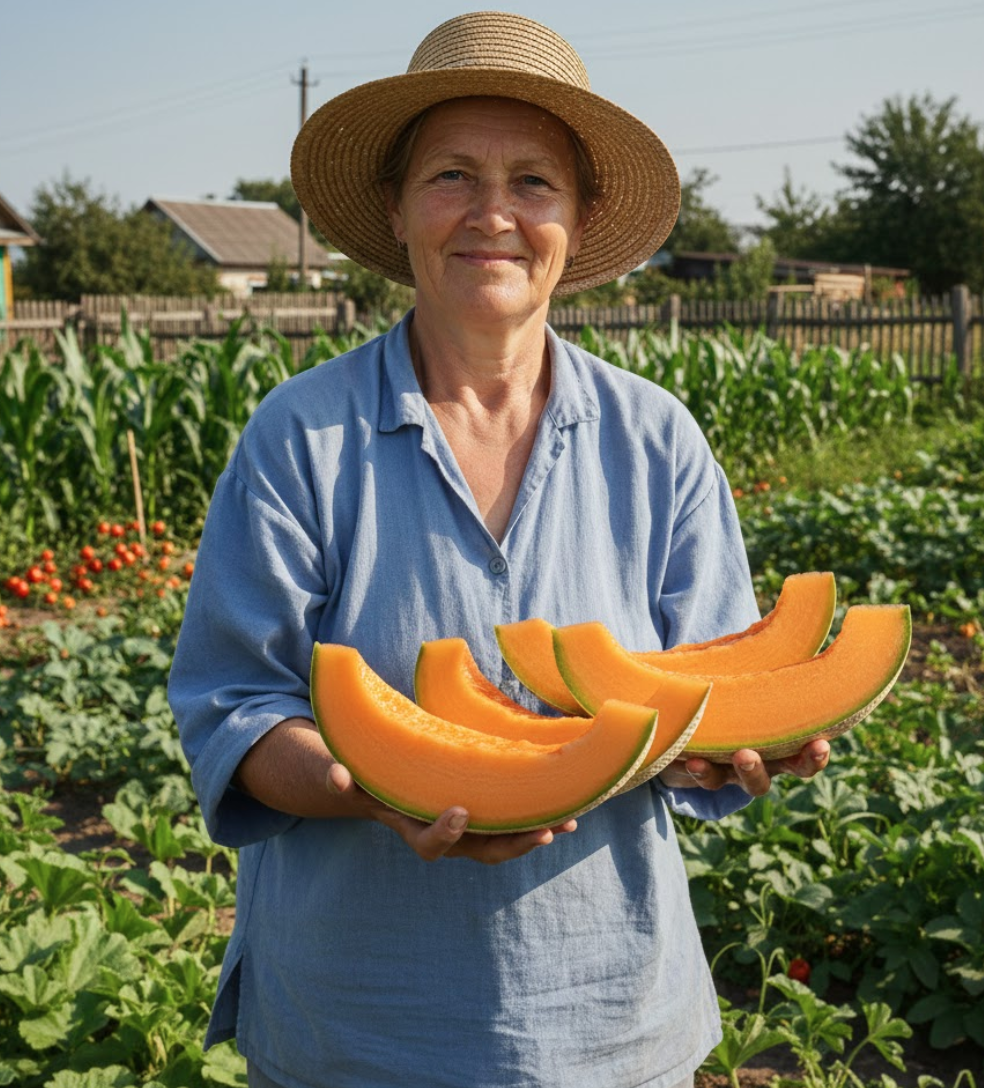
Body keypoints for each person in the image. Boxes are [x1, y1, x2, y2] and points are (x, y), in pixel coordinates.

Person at [168, 12, 830, 1088]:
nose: (493, 214)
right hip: (355, 1029)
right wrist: (376, 783)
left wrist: (740, 744)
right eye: (451, 176)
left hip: (611, 1024)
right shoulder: (300, 436)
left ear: (579, 216)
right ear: (396, 207)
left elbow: (710, 689)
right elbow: (235, 706)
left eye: (533, 181)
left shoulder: (657, 440)